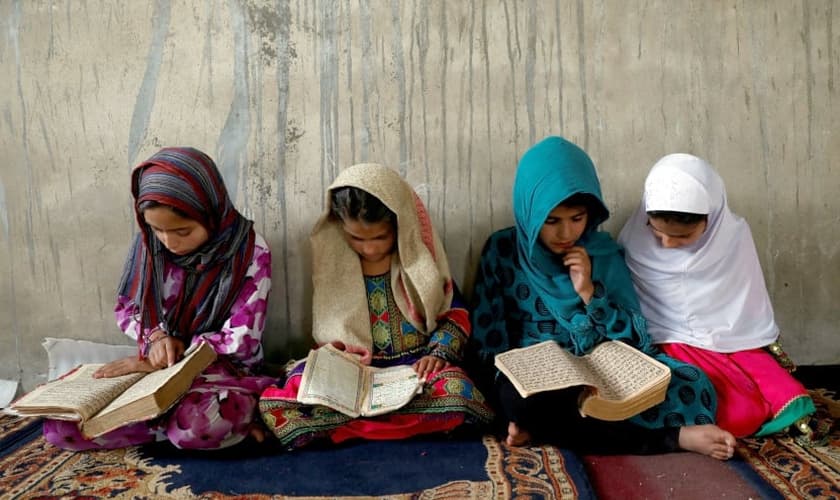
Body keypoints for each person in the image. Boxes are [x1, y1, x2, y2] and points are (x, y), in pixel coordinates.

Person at [469, 136, 736, 460]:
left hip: (602, 370)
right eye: (551, 221)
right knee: (519, 399)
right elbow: (488, 339)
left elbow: (635, 338)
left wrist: (589, 293)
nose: (566, 233)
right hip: (536, 378)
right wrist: (513, 375)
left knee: (693, 383)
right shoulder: (503, 251)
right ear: (530, 211)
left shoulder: (603, 254)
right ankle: (671, 438)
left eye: (577, 219)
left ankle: (541, 427)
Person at [43, 147, 275, 450]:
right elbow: (127, 308)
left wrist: (178, 353)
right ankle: (180, 427)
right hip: (155, 367)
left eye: (183, 231)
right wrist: (155, 338)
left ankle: (193, 425)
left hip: (221, 371)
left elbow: (242, 340)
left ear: (210, 210)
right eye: (157, 230)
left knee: (197, 421)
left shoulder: (250, 252)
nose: (169, 242)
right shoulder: (149, 245)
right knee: (61, 429)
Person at [259, 163, 494, 449]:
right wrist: (335, 358)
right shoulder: (334, 268)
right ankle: (401, 424)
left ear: (400, 225)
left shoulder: (422, 266)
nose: (369, 249)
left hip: (415, 373)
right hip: (356, 376)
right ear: (339, 227)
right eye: (357, 238)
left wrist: (438, 352)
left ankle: (352, 428)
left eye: (380, 237)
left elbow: (455, 314)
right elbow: (329, 337)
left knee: (458, 391)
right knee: (286, 397)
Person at [617, 153, 816, 439]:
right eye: (658, 232)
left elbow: (743, 306)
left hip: (732, 336)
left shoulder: (731, 237)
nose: (667, 244)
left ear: (712, 219)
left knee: (782, 391)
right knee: (740, 413)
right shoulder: (635, 241)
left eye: (683, 237)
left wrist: (721, 337)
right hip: (670, 338)